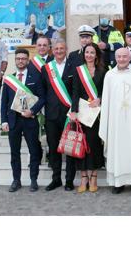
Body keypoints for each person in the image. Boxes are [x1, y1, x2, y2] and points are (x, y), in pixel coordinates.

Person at [99, 47, 131, 193]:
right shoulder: (110, 75)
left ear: (129, 58)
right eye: (119, 57)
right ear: (115, 58)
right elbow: (107, 100)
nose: (121, 59)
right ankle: (118, 183)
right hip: (116, 122)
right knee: (117, 150)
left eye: (124, 56)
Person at [0, 48, 45, 192]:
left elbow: (42, 98)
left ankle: (33, 180)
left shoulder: (35, 77)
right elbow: (4, 101)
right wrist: (4, 121)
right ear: (15, 60)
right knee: (15, 152)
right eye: (18, 58)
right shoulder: (9, 79)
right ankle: (16, 180)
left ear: (28, 60)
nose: (20, 61)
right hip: (13, 121)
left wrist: (32, 111)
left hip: (30, 120)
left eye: (23, 59)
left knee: (34, 151)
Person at [69, 43, 106, 193]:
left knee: (94, 144)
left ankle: (94, 176)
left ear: (96, 54)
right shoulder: (79, 71)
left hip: (96, 113)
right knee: (81, 144)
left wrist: (100, 98)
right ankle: (84, 177)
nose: (89, 55)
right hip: (82, 114)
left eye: (92, 52)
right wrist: (74, 111)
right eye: (87, 52)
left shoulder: (103, 71)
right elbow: (75, 92)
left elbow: (106, 91)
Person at [41, 38, 77, 191]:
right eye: (56, 49)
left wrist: (74, 110)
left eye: (61, 48)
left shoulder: (74, 67)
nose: (59, 51)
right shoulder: (46, 68)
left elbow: (76, 92)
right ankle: (56, 179)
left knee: (69, 148)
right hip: (51, 115)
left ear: (66, 49)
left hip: (69, 115)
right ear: (52, 50)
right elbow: (43, 91)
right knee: (54, 148)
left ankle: (69, 180)